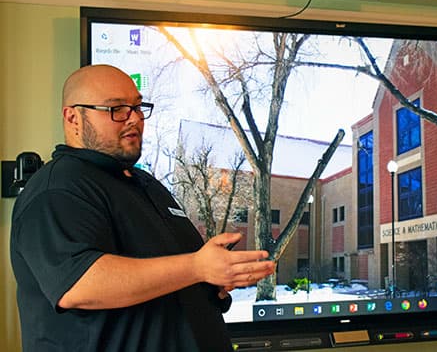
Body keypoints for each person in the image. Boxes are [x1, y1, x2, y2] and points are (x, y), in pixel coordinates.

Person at [10, 64, 276, 351]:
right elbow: (79, 284)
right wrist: (197, 267)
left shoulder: (145, 184)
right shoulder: (58, 188)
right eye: (117, 109)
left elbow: (168, 276)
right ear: (73, 117)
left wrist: (213, 285)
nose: (134, 119)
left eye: (138, 107)